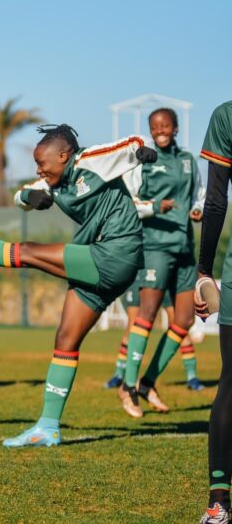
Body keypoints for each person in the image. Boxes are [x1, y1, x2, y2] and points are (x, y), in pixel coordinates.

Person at [0, 124, 157, 446]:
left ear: (64, 155)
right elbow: (21, 196)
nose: (38, 169)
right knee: (65, 339)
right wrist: (30, 197)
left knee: (28, 252)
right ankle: (48, 427)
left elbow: (131, 143)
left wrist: (142, 151)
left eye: (42, 162)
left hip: (117, 252)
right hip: (101, 260)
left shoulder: (91, 161)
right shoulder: (52, 181)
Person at [119, 108, 204, 417]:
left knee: (184, 320)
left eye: (166, 125)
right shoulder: (143, 162)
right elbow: (128, 204)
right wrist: (154, 206)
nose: (161, 130)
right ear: (150, 131)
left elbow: (198, 196)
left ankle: (147, 382)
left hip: (184, 248)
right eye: (155, 127)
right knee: (148, 314)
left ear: (176, 127)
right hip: (155, 247)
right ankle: (127, 386)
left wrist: (198, 210)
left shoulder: (188, 161)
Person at [195, 100, 232, 524]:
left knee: (231, 383)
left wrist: (204, 269)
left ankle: (219, 503)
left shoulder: (226, 115)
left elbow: (216, 202)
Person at [105, 281, 204, 391]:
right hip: (140, 276)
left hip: (166, 275)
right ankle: (120, 376)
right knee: (132, 325)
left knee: (178, 325)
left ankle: (192, 377)